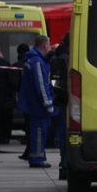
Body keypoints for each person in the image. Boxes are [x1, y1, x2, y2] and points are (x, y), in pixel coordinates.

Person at [19, 35, 55, 168]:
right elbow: (41, 85)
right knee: (39, 132)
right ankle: (37, 160)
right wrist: (48, 103)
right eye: (49, 45)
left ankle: (39, 156)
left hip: (34, 104)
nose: (50, 47)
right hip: (38, 106)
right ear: (45, 46)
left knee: (38, 131)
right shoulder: (38, 62)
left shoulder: (35, 59)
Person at [50, 33, 71, 180]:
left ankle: (63, 166)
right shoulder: (67, 58)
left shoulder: (56, 58)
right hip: (67, 102)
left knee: (64, 135)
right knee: (67, 136)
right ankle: (65, 165)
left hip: (61, 101)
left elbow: (54, 83)